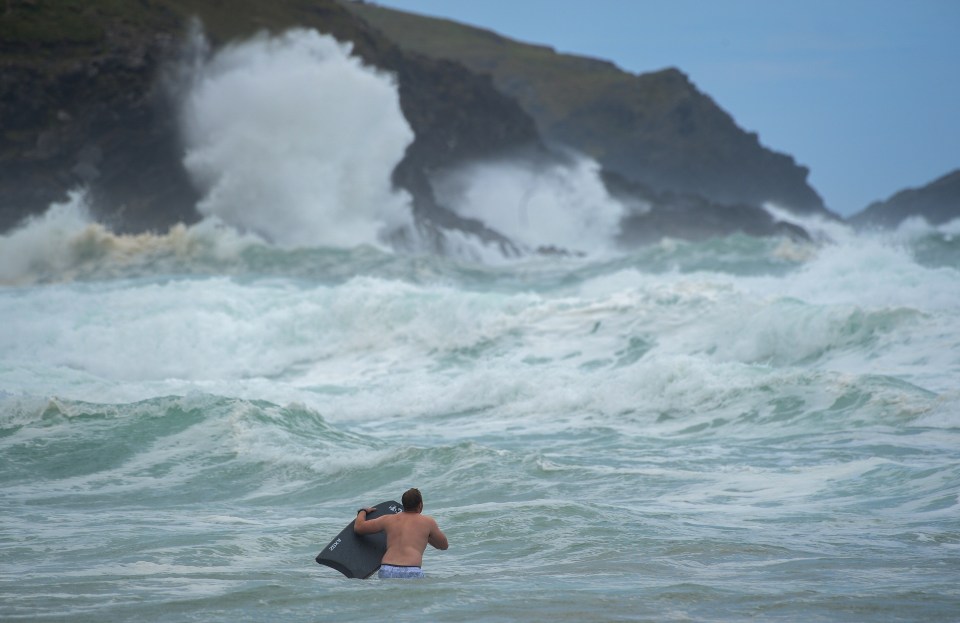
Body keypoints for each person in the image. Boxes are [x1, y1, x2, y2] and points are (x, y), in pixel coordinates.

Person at [354, 488, 448, 579]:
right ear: (420, 505)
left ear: (404, 504)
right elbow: (443, 545)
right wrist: (427, 536)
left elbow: (359, 527)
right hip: (411, 570)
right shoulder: (428, 522)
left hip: (387, 569)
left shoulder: (388, 519)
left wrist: (362, 511)